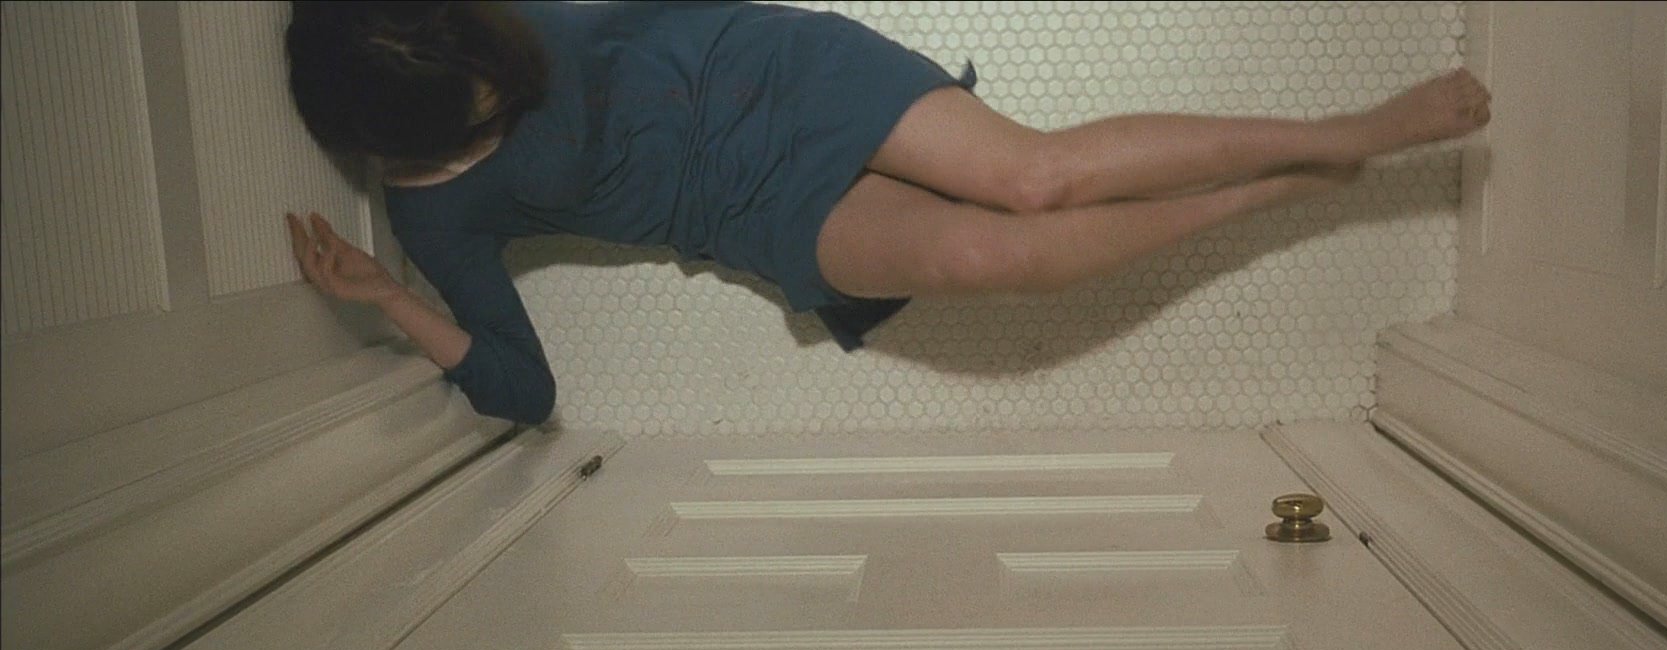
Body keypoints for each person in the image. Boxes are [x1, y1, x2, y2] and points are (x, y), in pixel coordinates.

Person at [284, 1, 1490, 425]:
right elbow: (520, 390)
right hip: (741, 209)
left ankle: (1344, 135)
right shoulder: (433, 216)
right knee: (989, 253)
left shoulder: (459, 15)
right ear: (403, 139)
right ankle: (1269, 193)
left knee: (1035, 179)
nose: (508, 89)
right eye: (481, 111)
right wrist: (390, 297)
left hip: (769, 70)